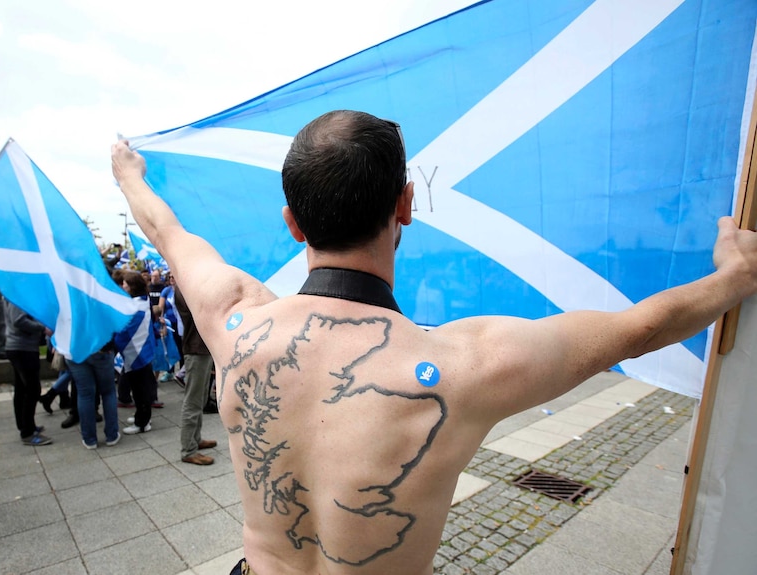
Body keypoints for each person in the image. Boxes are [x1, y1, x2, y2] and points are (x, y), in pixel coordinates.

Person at [112, 109, 757, 575]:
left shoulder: (235, 323)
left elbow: (166, 230)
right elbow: (638, 330)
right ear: (405, 206)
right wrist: (736, 275)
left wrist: (128, 174)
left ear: (292, 222)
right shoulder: (462, 366)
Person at [175, 292, 217, 465]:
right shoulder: (184, 289)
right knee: (192, 400)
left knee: (199, 398)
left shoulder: (187, 286)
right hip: (196, 349)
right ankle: (188, 449)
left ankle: (195, 439)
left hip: (202, 347)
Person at [4, 300, 53, 446]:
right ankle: (27, 432)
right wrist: (42, 328)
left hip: (19, 346)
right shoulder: (16, 296)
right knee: (32, 389)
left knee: (21, 388)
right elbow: (19, 321)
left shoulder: (13, 292)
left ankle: (26, 425)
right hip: (22, 348)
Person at [114, 271, 158, 434]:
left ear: (132, 286)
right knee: (142, 387)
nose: (122, 285)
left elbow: (124, 331)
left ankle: (142, 423)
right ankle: (143, 414)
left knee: (140, 389)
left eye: (125, 283)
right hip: (143, 352)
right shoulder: (142, 301)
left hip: (137, 354)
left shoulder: (133, 307)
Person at [65, 339, 120, 449]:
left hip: (74, 348)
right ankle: (112, 435)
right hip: (99, 346)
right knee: (108, 392)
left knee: (85, 395)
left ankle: (89, 439)